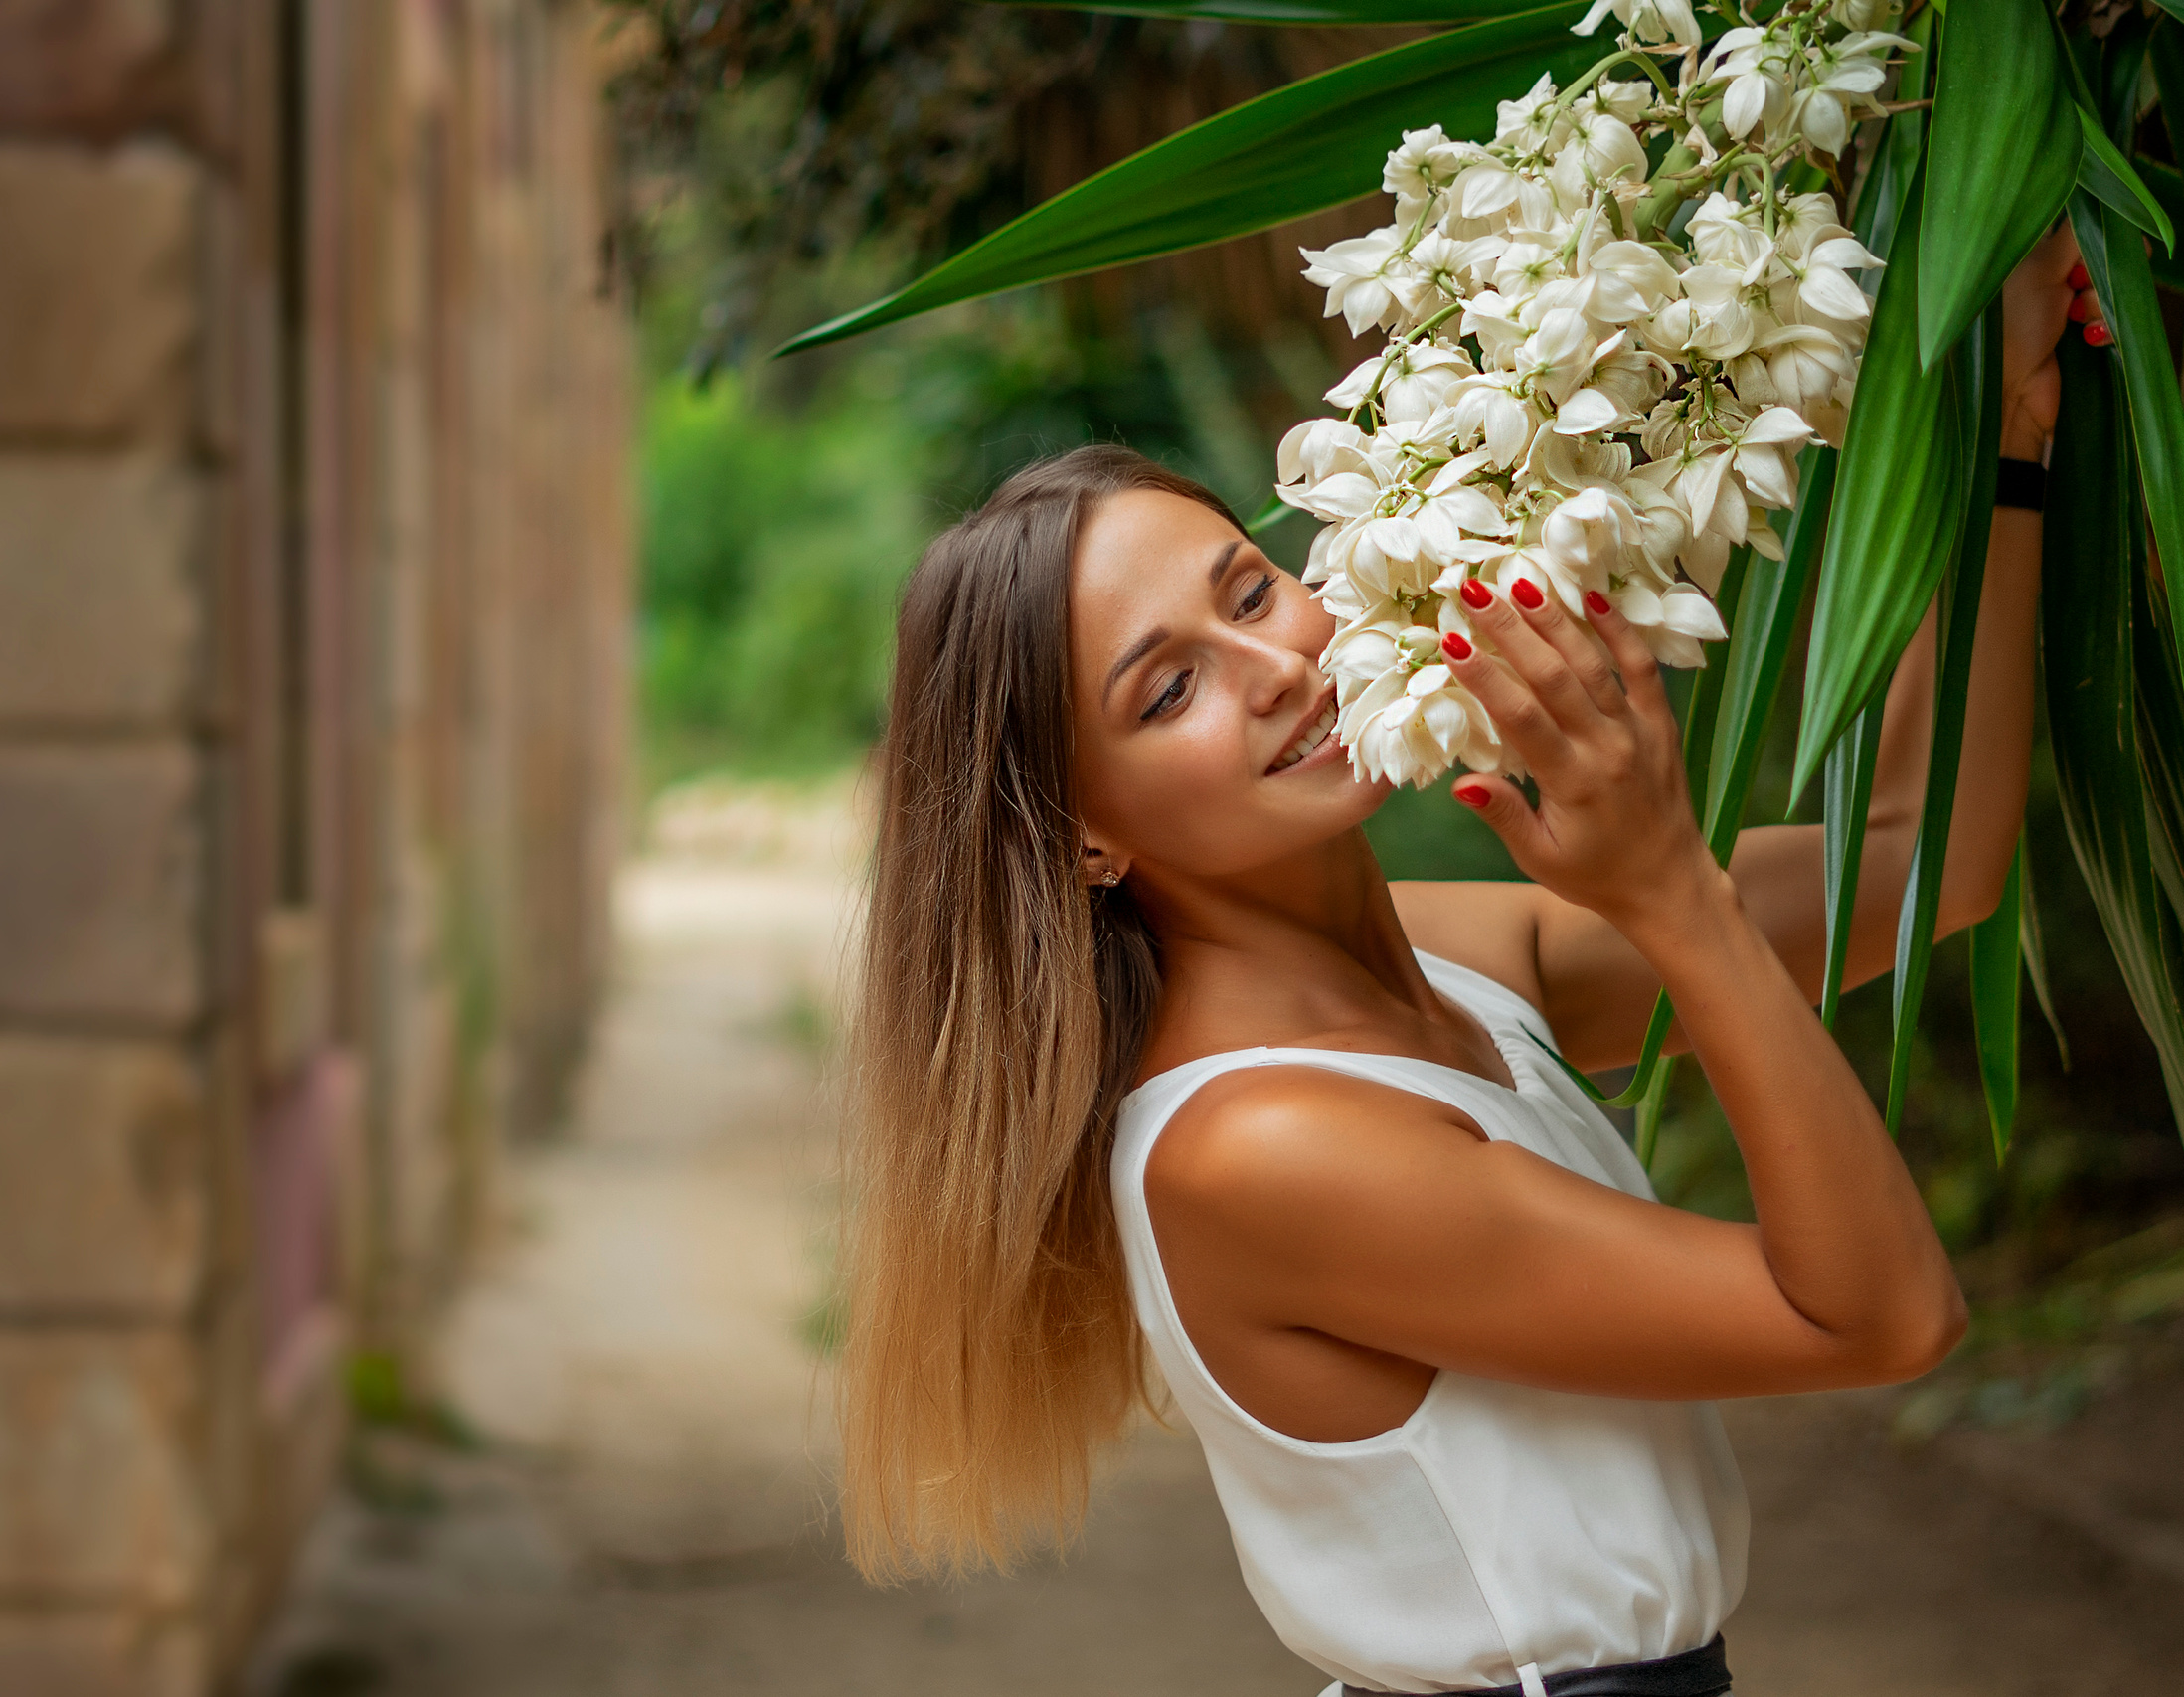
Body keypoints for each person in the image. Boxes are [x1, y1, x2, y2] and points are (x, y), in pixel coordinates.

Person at [843, 229, 2100, 1697]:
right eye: (1167, 688)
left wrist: (2003, 447)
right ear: (1082, 840)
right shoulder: (1259, 1145)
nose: (1271, 670)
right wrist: (1668, 891)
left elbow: (1920, 863)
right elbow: (1880, 1317)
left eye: (1249, 593)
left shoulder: (1440, 958)